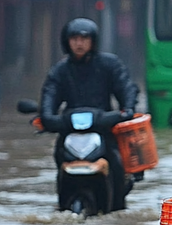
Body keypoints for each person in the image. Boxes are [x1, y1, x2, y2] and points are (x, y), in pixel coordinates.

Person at [40, 17, 140, 210]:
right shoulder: (59, 71)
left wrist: (127, 110)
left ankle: (117, 202)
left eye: (84, 38)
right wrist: (46, 116)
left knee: (117, 162)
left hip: (103, 129)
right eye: (74, 38)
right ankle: (63, 201)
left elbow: (126, 88)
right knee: (59, 157)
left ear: (93, 41)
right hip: (70, 132)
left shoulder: (109, 64)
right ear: (66, 41)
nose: (79, 43)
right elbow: (49, 95)